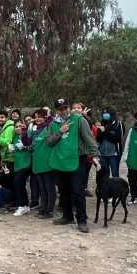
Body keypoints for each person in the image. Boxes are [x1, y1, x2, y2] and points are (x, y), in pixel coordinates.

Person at [46, 97, 101, 233]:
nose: (64, 111)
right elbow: (49, 141)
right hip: (60, 161)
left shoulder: (79, 120)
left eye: (65, 108)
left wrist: (96, 156)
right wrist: (61, 131)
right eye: (60, 109)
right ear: (56, 111)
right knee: (64, 191)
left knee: (78, 191)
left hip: (77, 160)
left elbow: (90, 139)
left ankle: (82, 220)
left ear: (69, 107)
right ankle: (67, 216)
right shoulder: (52, 124)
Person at [28, 109, 55, 219]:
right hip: (37, 162)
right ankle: (43, 208)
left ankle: (50, 210)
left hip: (47, 162)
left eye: (40, 116)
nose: (37, 119)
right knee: (42, 187)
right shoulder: (34, 131)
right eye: (36, 116)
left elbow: (53, 124)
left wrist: (49, 117)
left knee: (50, 187)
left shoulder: (49, 128)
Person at [73, 101, 99, 197]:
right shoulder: (68, 120)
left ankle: (82, 192)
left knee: (82, 176)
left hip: (83, 154)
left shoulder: (85, 122)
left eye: (78, 107)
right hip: (70, 154)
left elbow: (90, 138)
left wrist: (83, 117)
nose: (76, 109)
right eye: (74, 107)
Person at [95, 106, 125, 178]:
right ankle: (105, 189)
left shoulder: (119, 124)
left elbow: (118, 138)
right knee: (104, 175)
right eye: (104, 113)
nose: (104, 114)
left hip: (114, 154)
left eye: (106, 113)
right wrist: (98, 130)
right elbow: (98, 139)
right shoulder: (102, 123)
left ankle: (116, 189)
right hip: (102, 154)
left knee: (115, 174)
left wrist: (105, 131)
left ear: (112, 114)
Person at [11, 119, 33, 216]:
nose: (18, 128)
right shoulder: (15, 139)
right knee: (20, 184)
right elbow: (15, 154)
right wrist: (12, 151)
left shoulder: (29, 135)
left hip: (27, 163)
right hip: (18, 164)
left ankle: (21, 205)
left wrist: (26, 146)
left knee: (17, 182)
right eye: (16, 127)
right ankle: (25, 206)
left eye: (20, 126)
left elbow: (34, 147)